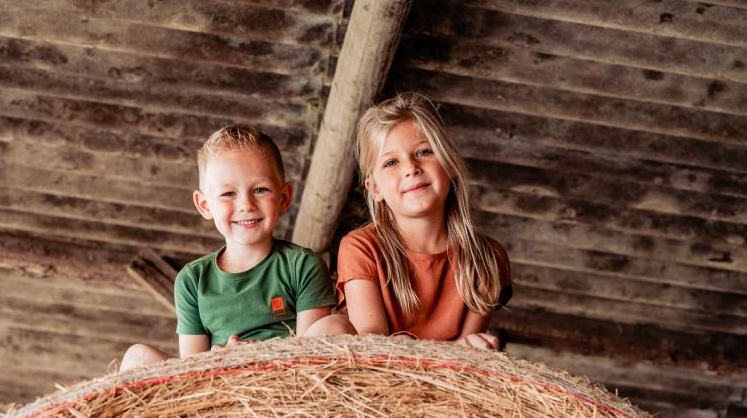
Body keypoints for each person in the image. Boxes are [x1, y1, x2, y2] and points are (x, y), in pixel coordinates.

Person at [121, 125, 354, 371]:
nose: (246, 204)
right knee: (137, 356)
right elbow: (192, 369)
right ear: (204, 205)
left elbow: (310, 354)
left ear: (284, 197)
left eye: (260, 190)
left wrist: (261, 356)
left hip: (286, 376)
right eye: (228, 194)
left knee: (337, 326)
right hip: (219, 380)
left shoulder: (302, 265)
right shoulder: (192, 280)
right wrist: (223, 360)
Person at [337, 92, 513, 350]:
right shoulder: (361, 248)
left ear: (450, 163)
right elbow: (373, 348)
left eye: (424, 151)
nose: (410, 168)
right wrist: (455, 349)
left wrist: (466, 348)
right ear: (374, 188)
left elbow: (471, 354)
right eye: (391, 162)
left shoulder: (487, 258)